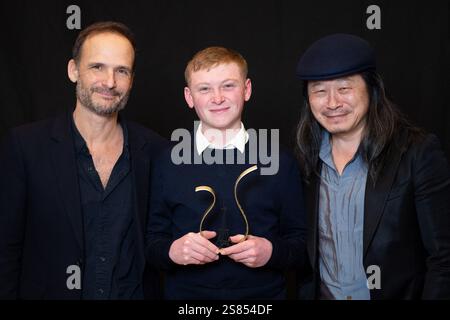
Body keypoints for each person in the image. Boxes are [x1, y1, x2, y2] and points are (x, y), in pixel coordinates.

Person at [0, 21, 167, 299]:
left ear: (131, 79)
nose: (110, 82)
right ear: (73, 70)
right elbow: (5, 249)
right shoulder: (25, 147)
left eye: (121, 71)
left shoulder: (156, 151)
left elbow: (162, 242)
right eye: (97, 67)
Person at [295, 33, 450, 300]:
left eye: (344, 89)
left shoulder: (417, 153)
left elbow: (443, 258)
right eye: (319, 91)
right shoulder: (304, 159)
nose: (332, 103)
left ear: (372, 89)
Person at [146, 46, 307, 299]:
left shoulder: (281, 162)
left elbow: (300, 245)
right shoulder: (166, 161)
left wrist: (272, 252)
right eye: (205, 89)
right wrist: (172, 252)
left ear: (247, 90)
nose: (217, 98)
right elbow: (152, 243)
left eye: (228, 86)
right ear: (189, 97)